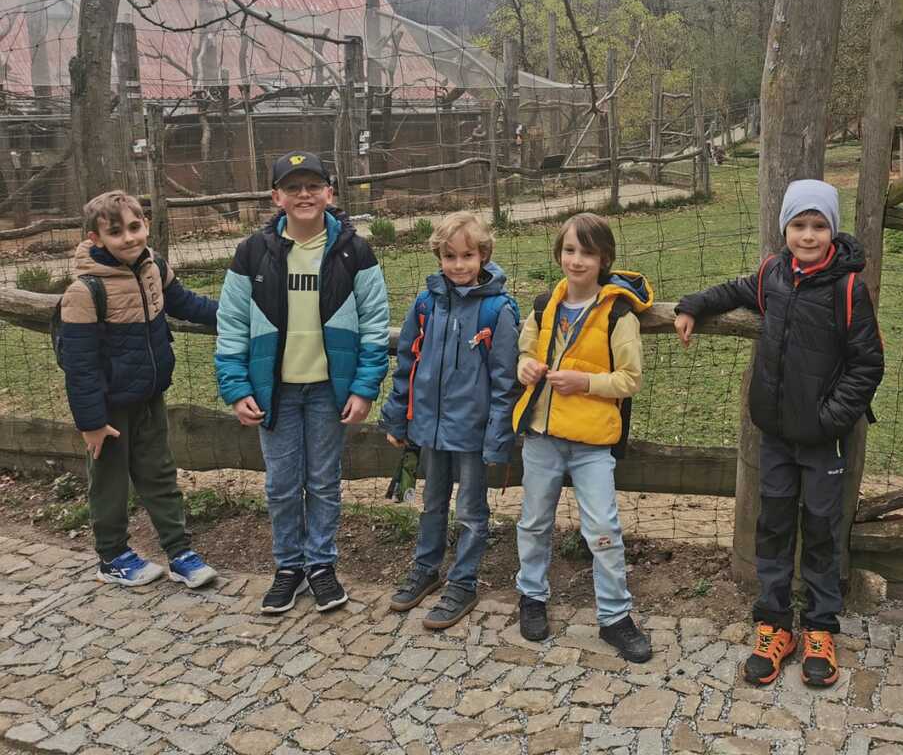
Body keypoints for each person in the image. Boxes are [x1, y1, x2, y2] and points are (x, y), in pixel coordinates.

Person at [674, 179, 884, 688]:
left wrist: (830, 418)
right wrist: (692, 304)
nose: (808, 236)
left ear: (832, 230)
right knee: (772, 525)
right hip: (775, 436)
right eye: (798, 225)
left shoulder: (848, 289)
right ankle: (774, 624)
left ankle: (820, 626)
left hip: (824, 440)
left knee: (821, 529)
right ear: (785, 227)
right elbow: (733, 290)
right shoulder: (774, 273)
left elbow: (867, 364)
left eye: (818, 225)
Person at [215, 152, 389, 614]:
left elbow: (375, 324)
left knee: (324, 481)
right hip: (276, 391)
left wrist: (364, 387)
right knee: (281, 484)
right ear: (277, 197)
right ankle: (288, 567)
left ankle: (321, 565)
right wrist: (236, 386)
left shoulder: (354, 251)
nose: (304, 195)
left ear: (329, 192)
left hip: (329, 390)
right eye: (293, 187)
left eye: (313, 186)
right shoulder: (253, 253)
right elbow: (232, 323)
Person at [58, 190, 219, 588]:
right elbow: (79, 366)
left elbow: (186, 304)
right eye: (116, 232)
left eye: (135, 227)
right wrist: (92, 423)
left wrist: (234, 314)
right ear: (96, 238)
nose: (129, 238)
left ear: (146, 225)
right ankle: (112, 556)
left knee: (160, 473)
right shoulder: (85, 292)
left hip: (149, 396)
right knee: (110, 482)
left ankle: (179, 551)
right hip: (109, 408)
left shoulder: (153, 268)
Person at [512, 213, 654, 663]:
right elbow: (524, 351)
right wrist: (526, 367)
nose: (577, 261)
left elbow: (630, 379)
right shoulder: (543, 306)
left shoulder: (618, 314)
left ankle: (614, 616)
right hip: (543, 435)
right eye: (570, 250)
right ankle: (531, 596)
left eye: (587, 253)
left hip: (592, 441)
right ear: (559, 254)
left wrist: (585, 383)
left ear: (604, 259)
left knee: (603, 529)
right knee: (534, 520)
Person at [380, 211, 519, 628]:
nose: (458, 265)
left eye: (467, 256)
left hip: (472, 433)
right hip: (429, 428)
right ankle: (426, 568)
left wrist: (498, 437)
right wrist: (397, 418)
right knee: (432, 504)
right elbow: (407, 364)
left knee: (471, 511)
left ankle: (464, 581)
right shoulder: (426, 305)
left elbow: (505, 381)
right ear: (438, 256)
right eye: (450, 256)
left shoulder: (497, 311)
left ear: (483, 256)